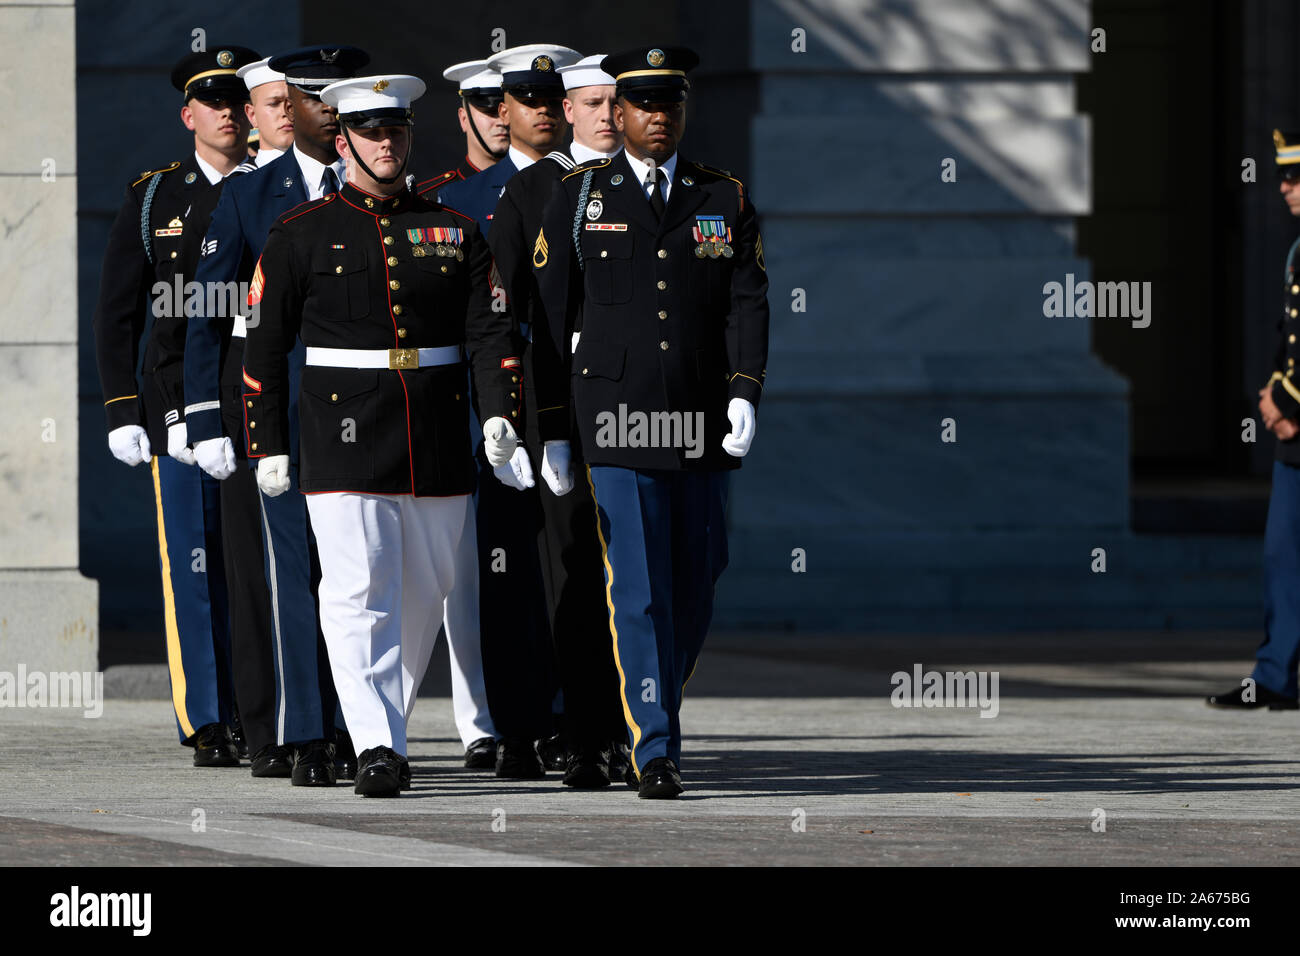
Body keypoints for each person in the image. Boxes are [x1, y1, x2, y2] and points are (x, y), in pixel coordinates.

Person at [241, 72, 521, 797]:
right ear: (343, 140)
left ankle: (380, 726)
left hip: (432, 429)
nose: (387, 144)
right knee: (356, 593)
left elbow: (489, 329)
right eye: (370, 131)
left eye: (396, 131)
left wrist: (498, 411)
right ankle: (376, 744)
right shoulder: (300, 233)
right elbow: (265, 348)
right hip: (341, 431)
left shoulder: (455, 229)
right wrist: (266, 443)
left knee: (431, 590)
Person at [533, 46, 770, 798]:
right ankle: (655, 744)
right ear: (619, 114)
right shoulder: (579, 196)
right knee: (637, 587)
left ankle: (654, 709)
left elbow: (747, 301)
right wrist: (554, 429)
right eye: (642, 106)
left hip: (699, 416)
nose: (658, 118)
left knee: (698, 580)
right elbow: (547, 318)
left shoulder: (721, 196)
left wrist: (744, 391)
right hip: (617, 420)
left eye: (671, 105)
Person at [184, 46, 372, 786]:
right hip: (280, 414)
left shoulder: (382, 190)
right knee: (291, 576)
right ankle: (305, 734)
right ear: (289, 107)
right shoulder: (250, 196)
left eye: (339, 94)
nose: (327, 106)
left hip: (370, 419)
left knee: (361, 580)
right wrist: (203, 416)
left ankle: (364, 726)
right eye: (313, 94)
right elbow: (206, 311)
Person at [92, 45, 260, 767]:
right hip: (177, 411)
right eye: (211, 102)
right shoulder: (155, 196)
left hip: (256, 405)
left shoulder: (274, 187)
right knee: (193, 567)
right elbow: (117, 313)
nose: (226, 114)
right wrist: (123, 408)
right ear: (188, 113)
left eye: (236, 101)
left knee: (256, 567)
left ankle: (266, 708)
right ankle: (209, 716)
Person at [486, 53, 627, 788]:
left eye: (619, 102)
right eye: (595, 103)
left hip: (645, 411)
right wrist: (517, 418)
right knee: (571, 573)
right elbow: (506, 314)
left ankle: (634, 721)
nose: (609, 116)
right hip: (561, 406)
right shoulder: (534, 188)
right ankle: (586, 728)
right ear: (567, 111)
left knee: (642, 571)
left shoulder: (657, 186)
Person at [441, 43, 581, 779]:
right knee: (501, 574)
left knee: (568, 568)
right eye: (527, 100)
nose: (546, 113)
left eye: (557, 100)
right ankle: (512, 723)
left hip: (570, 405)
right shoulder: (459, 201)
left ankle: (569, 718)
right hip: (494, 408)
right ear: (499, 110)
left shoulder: (589, 186)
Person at [1207, 129, 1300, 712]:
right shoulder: (1297, 250)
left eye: (1295, 175)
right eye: (1281, 175)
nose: (1285, 185)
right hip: (1295, 440)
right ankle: (1276, 675)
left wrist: (1290, 406)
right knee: (1282, 555)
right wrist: (1273, 393)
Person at [237, 56, 294, 168]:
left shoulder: (330, 175)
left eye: (293, 103)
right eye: (274, 103)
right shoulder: (236, 184)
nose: (285, 112)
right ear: (252, 115)